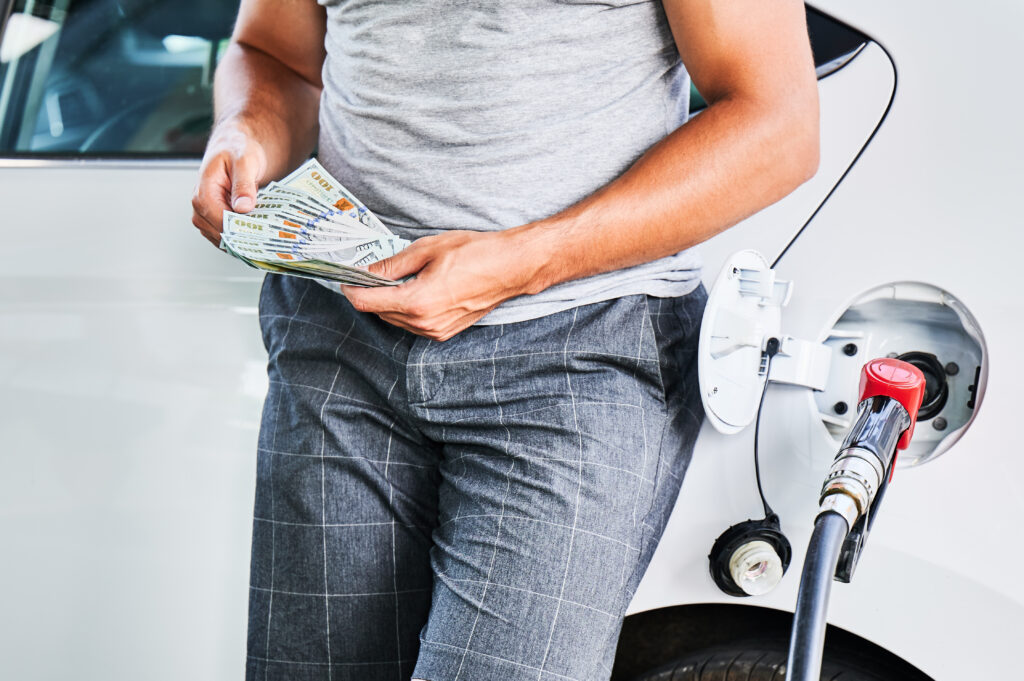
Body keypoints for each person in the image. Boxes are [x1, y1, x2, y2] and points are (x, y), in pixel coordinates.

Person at [190, 1, 819, 679]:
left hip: (579, 359)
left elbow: (777, 121)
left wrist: (522, 262)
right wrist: (244, 131)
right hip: (341, 343)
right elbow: (275, 55)